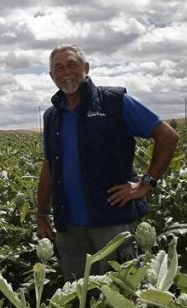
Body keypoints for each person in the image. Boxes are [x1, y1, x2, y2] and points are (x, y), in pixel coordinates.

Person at [36, 44, 179, 282]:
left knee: (122, 295)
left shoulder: (114, 102)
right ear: (52, 77)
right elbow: (50, 165)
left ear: (86, 68)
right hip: (69, 228)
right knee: (78, 297)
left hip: (111, 222)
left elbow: (168, 136)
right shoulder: (52, 115)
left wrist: (145, 183)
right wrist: (41, 213)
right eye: (58, 68)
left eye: (72, 64)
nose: (66, 72)